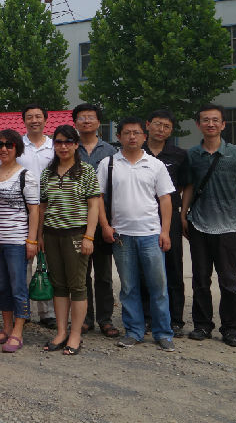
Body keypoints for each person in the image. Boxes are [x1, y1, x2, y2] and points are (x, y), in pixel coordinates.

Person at [97, 118, 176, 351]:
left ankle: (163, 333)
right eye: (127, 133)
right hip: (121, 236)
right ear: (119, 136)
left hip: (151, 234)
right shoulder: (109, 164)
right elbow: (98, 198)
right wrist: (105, 226)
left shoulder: (155, 165)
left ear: (144, 136)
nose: (132, 137)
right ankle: (134, 331)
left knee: (158, 287)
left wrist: (165, 231)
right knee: (128, 287)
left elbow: (165, 199)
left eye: (136, 133)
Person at [181, 104, 236, 348]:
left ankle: (231, 329)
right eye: (205, 120)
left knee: (229, 281)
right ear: (198, 125)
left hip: (229, 228)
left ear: (223, 125)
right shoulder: (192, 154)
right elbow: (189, 186)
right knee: (201, 280)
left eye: (215, 120)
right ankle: (202, 325)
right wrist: (183, 215)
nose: (210, 124)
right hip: (199, 226)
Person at [35, 124, 101, 356]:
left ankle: (75, 335)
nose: (63, 146)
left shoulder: (86, 171)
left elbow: (94, 206)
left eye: (68, 142)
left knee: (77, 286)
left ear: (76, 145)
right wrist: (40, 236)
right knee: (59, 286)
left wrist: (89, 236)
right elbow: (43, 207)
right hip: (52, 235)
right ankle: (61, 332)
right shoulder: (47, 173)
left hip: (76, 234)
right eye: (59, 142)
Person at [0, 129, 40, 353]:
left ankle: (18, 331)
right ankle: (6, 328)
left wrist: (32, 240)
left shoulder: (26, 175)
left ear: (17, 148)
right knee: (3, 286)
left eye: (9, 145)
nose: (4, 149)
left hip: (17, 241)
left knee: (18, 287)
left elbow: (34, 210)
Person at [72, 103, 120, 338]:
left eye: (90, 117)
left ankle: (105, 319)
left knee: (103, 274)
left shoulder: (111, 151)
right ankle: (85, 318)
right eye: (82, 118)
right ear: (75, 123)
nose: (86, 121)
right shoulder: (70, 148)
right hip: (76, 219)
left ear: (99, 122)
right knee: (81, 274)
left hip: (102, 220)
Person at [142, 109, 189, 337]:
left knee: (173, 268)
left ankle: (175, 319)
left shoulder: (179, 155)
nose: (161, 129)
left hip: (170, 218)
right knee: (144, 270)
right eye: (157, 124)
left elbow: (185, 186)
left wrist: (182, 214)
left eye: (166, 126)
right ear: (148, 124)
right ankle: (147, 317)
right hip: (142, 217)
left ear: (171, 131)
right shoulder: (136, 151)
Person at [17, 103, 57, 329]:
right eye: (30, 117)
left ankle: (47, 312)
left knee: (47, 262)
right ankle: (23, 310)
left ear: (45, 119)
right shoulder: (18, 146)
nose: (34, 120)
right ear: (24, 120)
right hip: (22, 209)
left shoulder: (54, 146)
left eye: (38, 116)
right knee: (24, 262)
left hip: (51, 209)